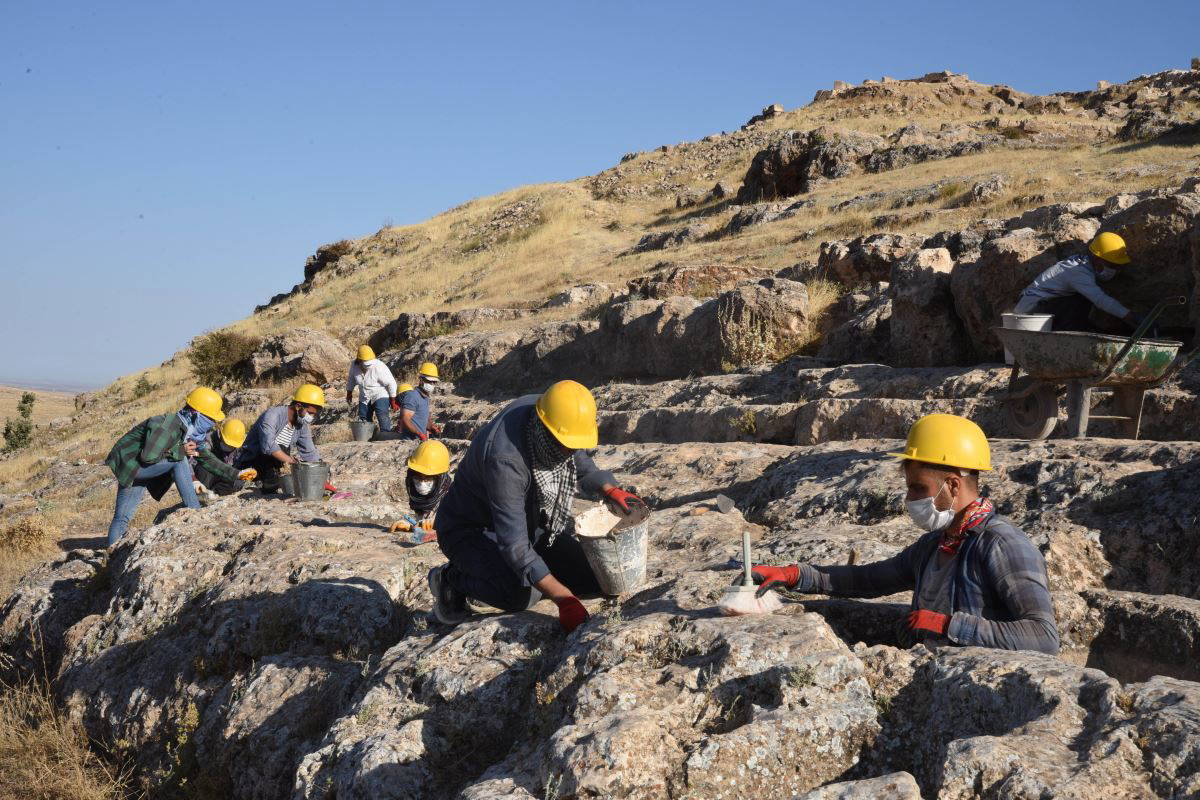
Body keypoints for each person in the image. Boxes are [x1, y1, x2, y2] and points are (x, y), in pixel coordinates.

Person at [752, 413, 1060, 654]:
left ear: (953, 485)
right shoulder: (935, 544)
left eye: (918, 488)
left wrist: (949, 625)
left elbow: (1044, 637)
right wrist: (796, 575)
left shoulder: (1002, 545)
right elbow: (869, 579)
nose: (910, 499)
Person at [428, 380, 647, 631]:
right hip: (469, 531)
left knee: (596, 576)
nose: (570, 451)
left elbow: (577, 457)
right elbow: (514, 544)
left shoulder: (551, 414)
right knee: (520, 593)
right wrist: (563, 598)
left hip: (528, 523)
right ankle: (451, 579)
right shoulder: (505, 462)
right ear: (546, 430)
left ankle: (511, 575)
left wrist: (609, 489)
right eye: (566, 445)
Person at [105, 387, 243, 546]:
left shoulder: (189, 433)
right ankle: (194, 511)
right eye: (210, 419)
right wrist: (180, 451)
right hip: (132, 466)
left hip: (136, 468)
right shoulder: (168, 425)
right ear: (195, 413)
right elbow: (148, 457)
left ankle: (111, 553)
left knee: (122, 518)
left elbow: (207, 458)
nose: (212, 424)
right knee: (179, 460)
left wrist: (237, 474)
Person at [1012, 232, 1142, 332]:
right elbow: (1100, 299)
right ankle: (1069, 335)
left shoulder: (1083, 265)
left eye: (1118, 267)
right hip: (1030, 315)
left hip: (1038, 309)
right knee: (1079, 300)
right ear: (1097, 260)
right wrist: (1130, 316)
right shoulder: (1078, 272)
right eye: (1112, 265)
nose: (1115, 270)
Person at [239, 384, 337, 495]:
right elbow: (268, 446)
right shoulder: (272, 416)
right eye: (310, 413)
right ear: (298, 406)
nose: (311, 417)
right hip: (254, 462)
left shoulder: (301, 425)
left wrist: (321, 476)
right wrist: (291, 461)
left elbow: (309, 452)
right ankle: (263, 483)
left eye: (314, 414)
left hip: (275, 465)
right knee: (281, 450)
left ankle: (272, 482)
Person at [389, 439, 453, 543]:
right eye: (418, 477)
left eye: (428, 478)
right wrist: (411, 526)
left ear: (440, 478)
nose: (422, 483)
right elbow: (424, 526)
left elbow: (463, 524)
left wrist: (438, 524)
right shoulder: (422, 502)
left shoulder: (454, 499)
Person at [193, 418, 256, 496]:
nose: (229, 447)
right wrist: (194, 480)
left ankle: (214, 493)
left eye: (232, 446)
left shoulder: (241, 444)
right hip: (209, 473)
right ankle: (202, 492)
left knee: (237, 482)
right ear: (220, 435)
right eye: (226, 443)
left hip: (226, 475)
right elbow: (195, 460)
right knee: (203, 467)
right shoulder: (208, 440)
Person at [346, 345, 399, 433]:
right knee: (364, 419)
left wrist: (393, 400)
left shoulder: (379, 366)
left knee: (382, 415)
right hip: (364, 396)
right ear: (359, 360)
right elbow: (351, 379)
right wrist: (349, 393)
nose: (367, 364)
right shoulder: (354, 366)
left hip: (380, 394)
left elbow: (391, 383)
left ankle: (385, 435)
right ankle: (368, 436)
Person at [397, 362, 442, 441]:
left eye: (434, 382)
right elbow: (405, 418)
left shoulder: (425, 398)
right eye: (429, 381)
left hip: (420, 440)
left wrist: (431, 427)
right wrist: (419, 433)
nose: (432, 384)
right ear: (421, 380)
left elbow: (423, 420)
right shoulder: (412, 396)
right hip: (410, 441)